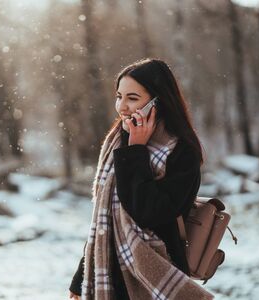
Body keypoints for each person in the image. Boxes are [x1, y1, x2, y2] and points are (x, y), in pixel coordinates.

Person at [68, 58, 214, 299]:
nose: (122, 107)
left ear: (158, 102)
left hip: (156, 274)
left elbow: (148, 211)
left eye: (132, 98)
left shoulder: (181, 152)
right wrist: (80, 280)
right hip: (111, 275)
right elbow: (104, 221)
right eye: (119, 96)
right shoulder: (118, 140)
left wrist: (136, 151)